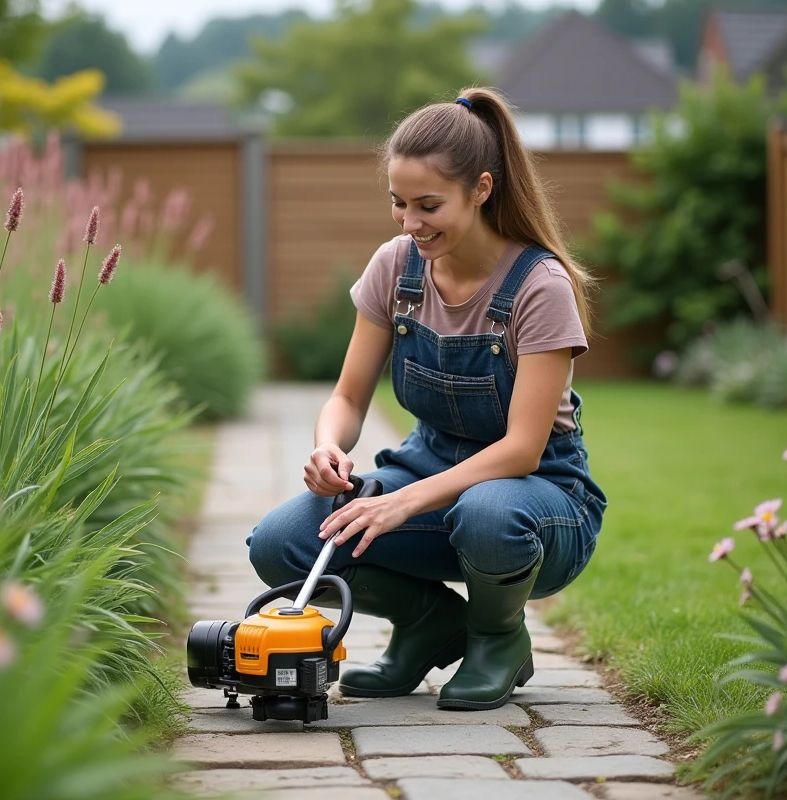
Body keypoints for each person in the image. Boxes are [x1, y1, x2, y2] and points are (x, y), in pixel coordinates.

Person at [246, 87, 608, 711]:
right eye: (399, 203)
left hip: (539, 503)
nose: (411, 223)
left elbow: (522, 450)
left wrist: (399, 503)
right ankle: (428, 625)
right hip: (430, 472)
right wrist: (327, 445)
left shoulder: (540, 286)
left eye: (429, 205)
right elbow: (347, 396)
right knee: (282, 543)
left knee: (487, 512)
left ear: (482, 189)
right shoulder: (396, 267)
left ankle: (496, 637)